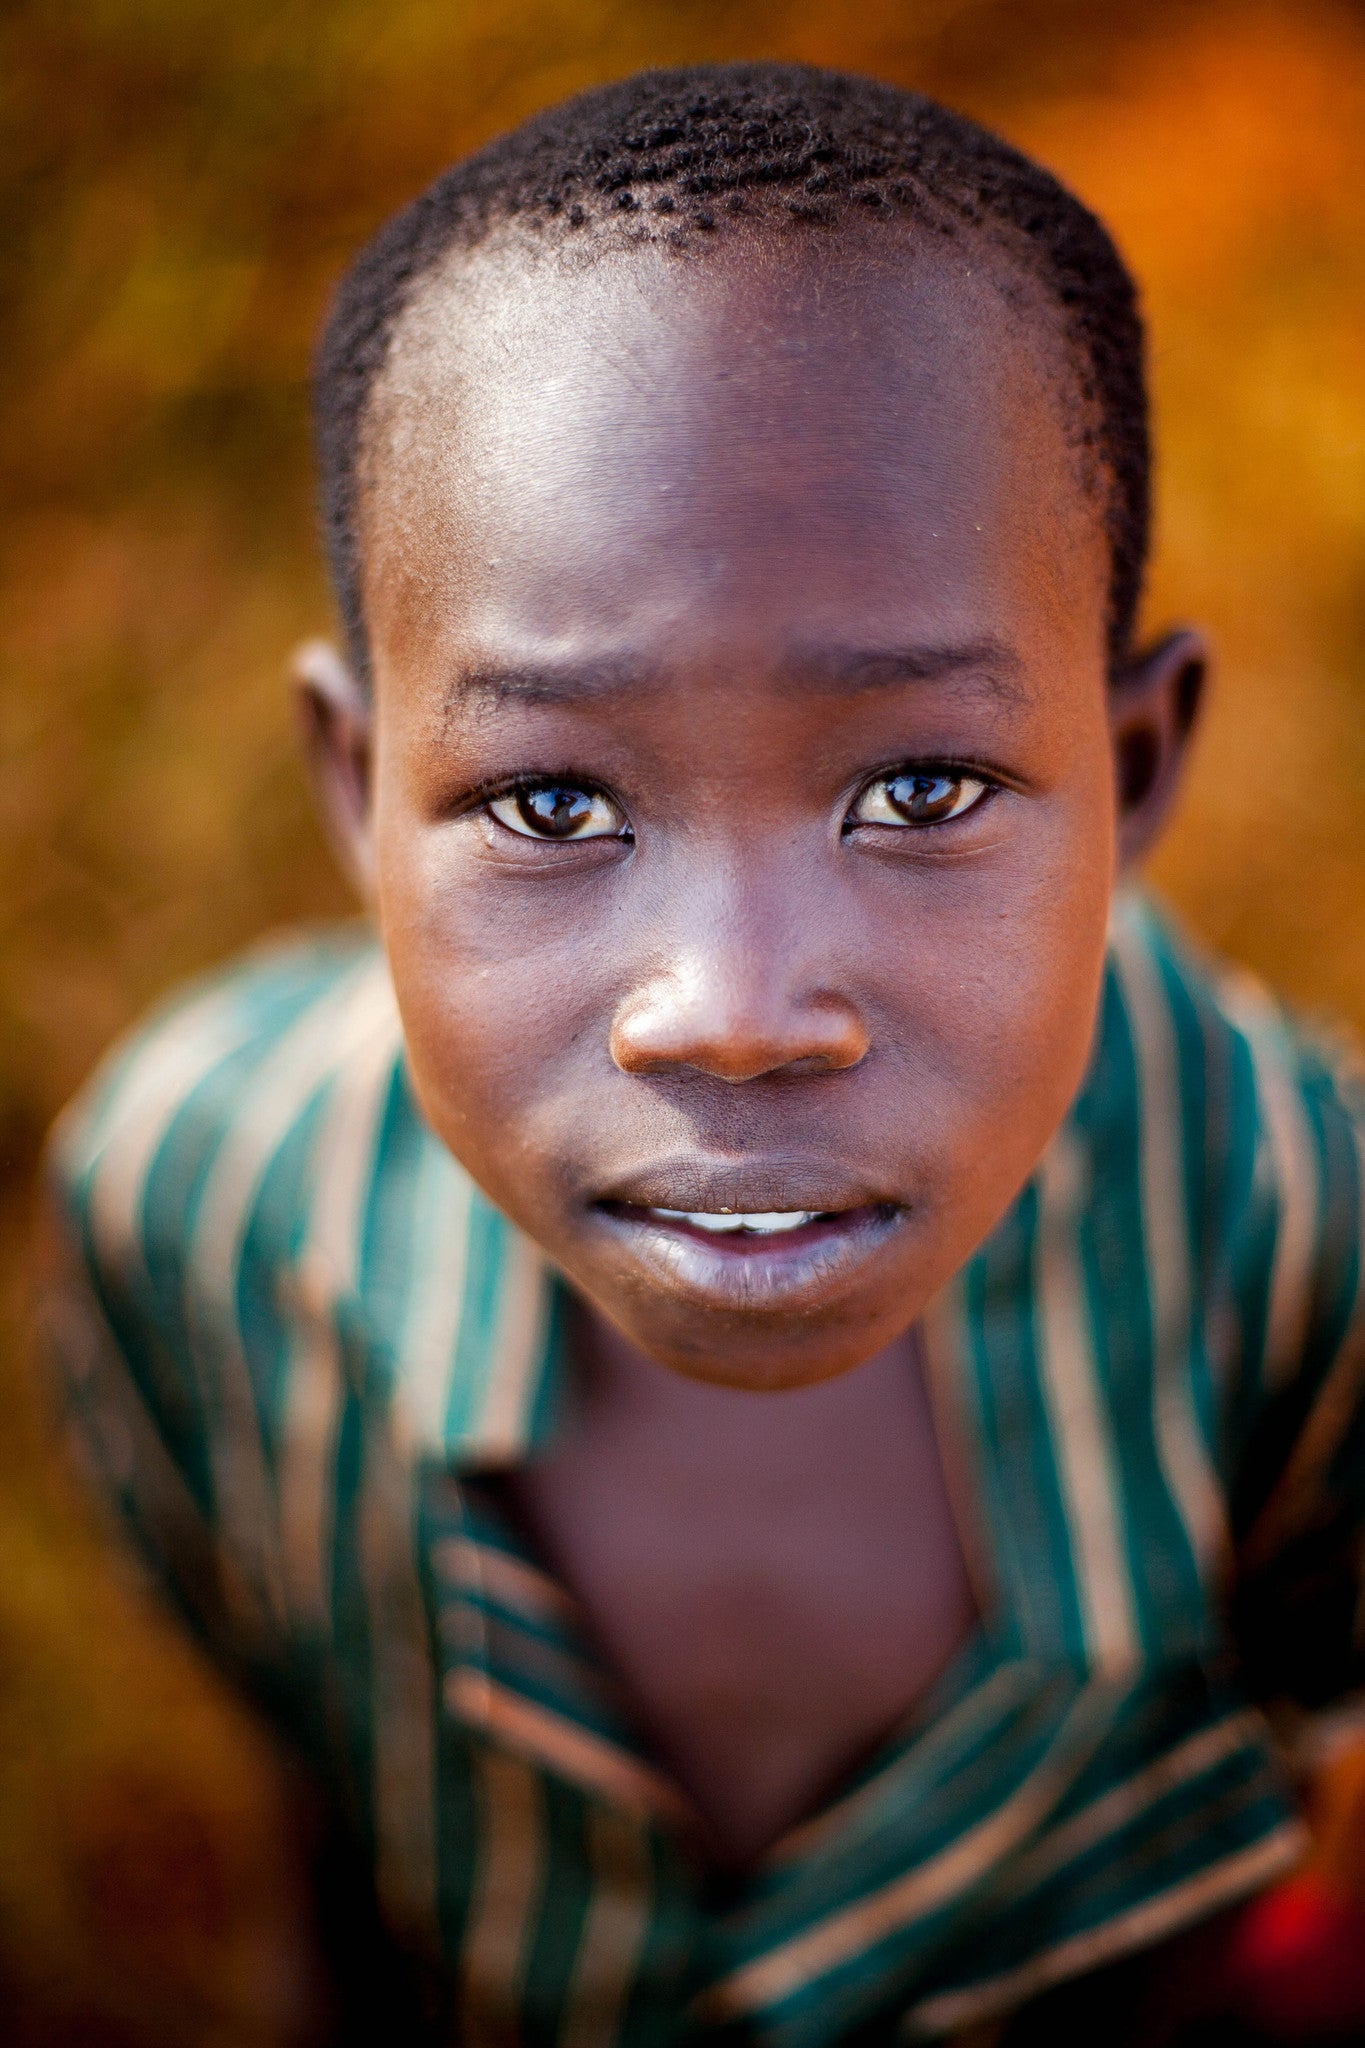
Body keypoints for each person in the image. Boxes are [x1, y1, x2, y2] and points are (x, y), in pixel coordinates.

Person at [44, 63, 1365, 2047]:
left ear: (1136, 765)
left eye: (917, 785)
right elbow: (326, 1784)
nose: (735, 1010)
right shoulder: (198, 1207)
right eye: (556, 806)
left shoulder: (1309, 1248)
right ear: (355, 786)